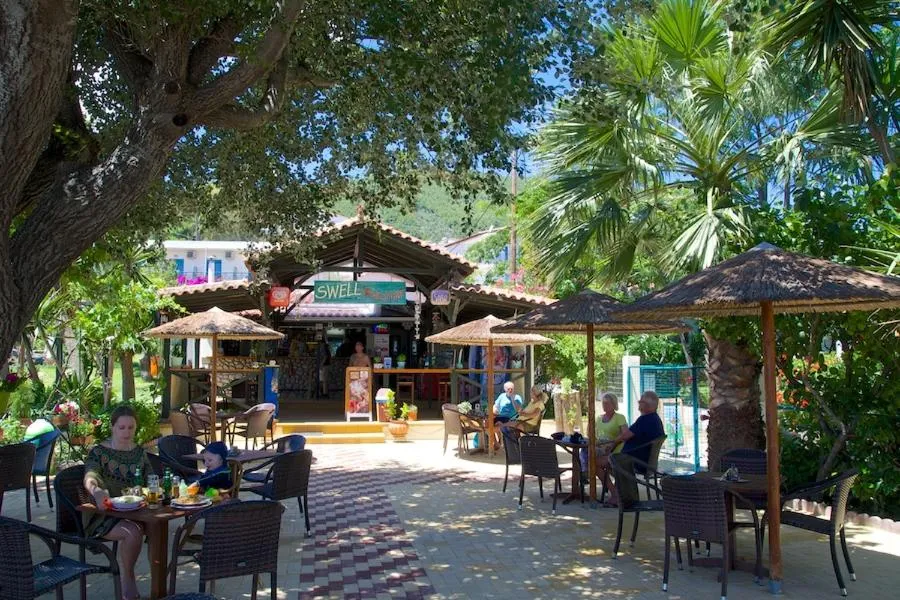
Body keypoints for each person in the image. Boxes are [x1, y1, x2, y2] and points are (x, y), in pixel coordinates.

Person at [83, 404, 152, 600]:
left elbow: (151, 478)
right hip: (105, 514)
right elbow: (91, 474)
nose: (126, 432)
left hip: (136, 511)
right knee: (133, 532)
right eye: (122, 427)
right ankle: (127, 580)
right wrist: (96, 491)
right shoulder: (99, 452)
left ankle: (159, 582)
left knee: (159, 528)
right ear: (113, 427)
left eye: (131, 427)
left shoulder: (138, 452)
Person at [581, 392, 629, 504]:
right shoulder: (599, 418)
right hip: (600, 447)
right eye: (603, 403)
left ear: (614, 404)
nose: (604, 405)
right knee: (585, 453)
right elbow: (591, 435)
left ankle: (613, 492)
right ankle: (582, 478)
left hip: (615, 451)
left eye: (607, 403)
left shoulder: (619, 417)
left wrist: (612, 445)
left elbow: (625, 435)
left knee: (592, 463)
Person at [615, 390, 665, 468]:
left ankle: (619, 480)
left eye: (641, 401)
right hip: (643, 461)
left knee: (599, 461)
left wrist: (612, 443)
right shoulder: (654, 419)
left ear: (648, 405)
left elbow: (625, 436)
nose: (639, 403)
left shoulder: (645, 420)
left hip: (634, 461)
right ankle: (621, 480)